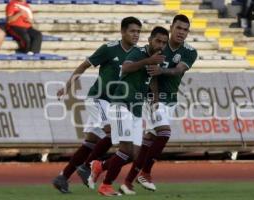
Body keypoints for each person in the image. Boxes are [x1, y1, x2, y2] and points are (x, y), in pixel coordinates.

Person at [51, 16, 142, 194]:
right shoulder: (109, 49)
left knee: (91, 142)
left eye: (138, 31)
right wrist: (67, 86)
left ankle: (63, 176)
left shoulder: (137, 54)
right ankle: (86, 167)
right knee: (113, 130)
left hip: (115, 104)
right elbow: (83, 66)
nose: (136, 35)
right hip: (98, 99)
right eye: (132, 31)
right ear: (122, 32)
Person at [119, 14, 198, 195]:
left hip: (170, 101)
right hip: (153, 99)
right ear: (171, 28)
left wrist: (162, 70)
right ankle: (145, 173)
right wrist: (154, 100)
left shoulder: (190, 52)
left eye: (185, 30)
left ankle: (124, 180)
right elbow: (150, 74)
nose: (181, 32)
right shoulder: (159, 45)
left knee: (148, 143)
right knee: (164, 132)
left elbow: (178, 70)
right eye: (178, 28)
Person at [92, 26, 169, 196]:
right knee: (126, 149)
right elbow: (126, 68)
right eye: (158, 41)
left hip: (136, 108)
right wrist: (148, 62)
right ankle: (106, 185)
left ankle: (100, 166)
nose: (161, 45)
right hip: (121, 104)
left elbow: (153, 80)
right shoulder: (138, 53)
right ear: (150, 40)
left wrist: (155, 99)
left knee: (135, 154)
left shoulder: (157, 59)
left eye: (164, 43)